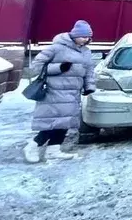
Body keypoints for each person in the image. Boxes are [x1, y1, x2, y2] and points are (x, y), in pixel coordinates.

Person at [23, 20, 96, 164]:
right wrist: (59, 68)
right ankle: (32, 146)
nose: (86, 39)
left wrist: (89, 86)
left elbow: (89, 71)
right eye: (83, 36)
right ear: (75, 35)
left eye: (88, 37)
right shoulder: (56, 48)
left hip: (73, 92)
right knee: (52, 123)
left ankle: (54, 150)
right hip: (54, 91)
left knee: (65, 122)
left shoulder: (86, 52)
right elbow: (37, 67)